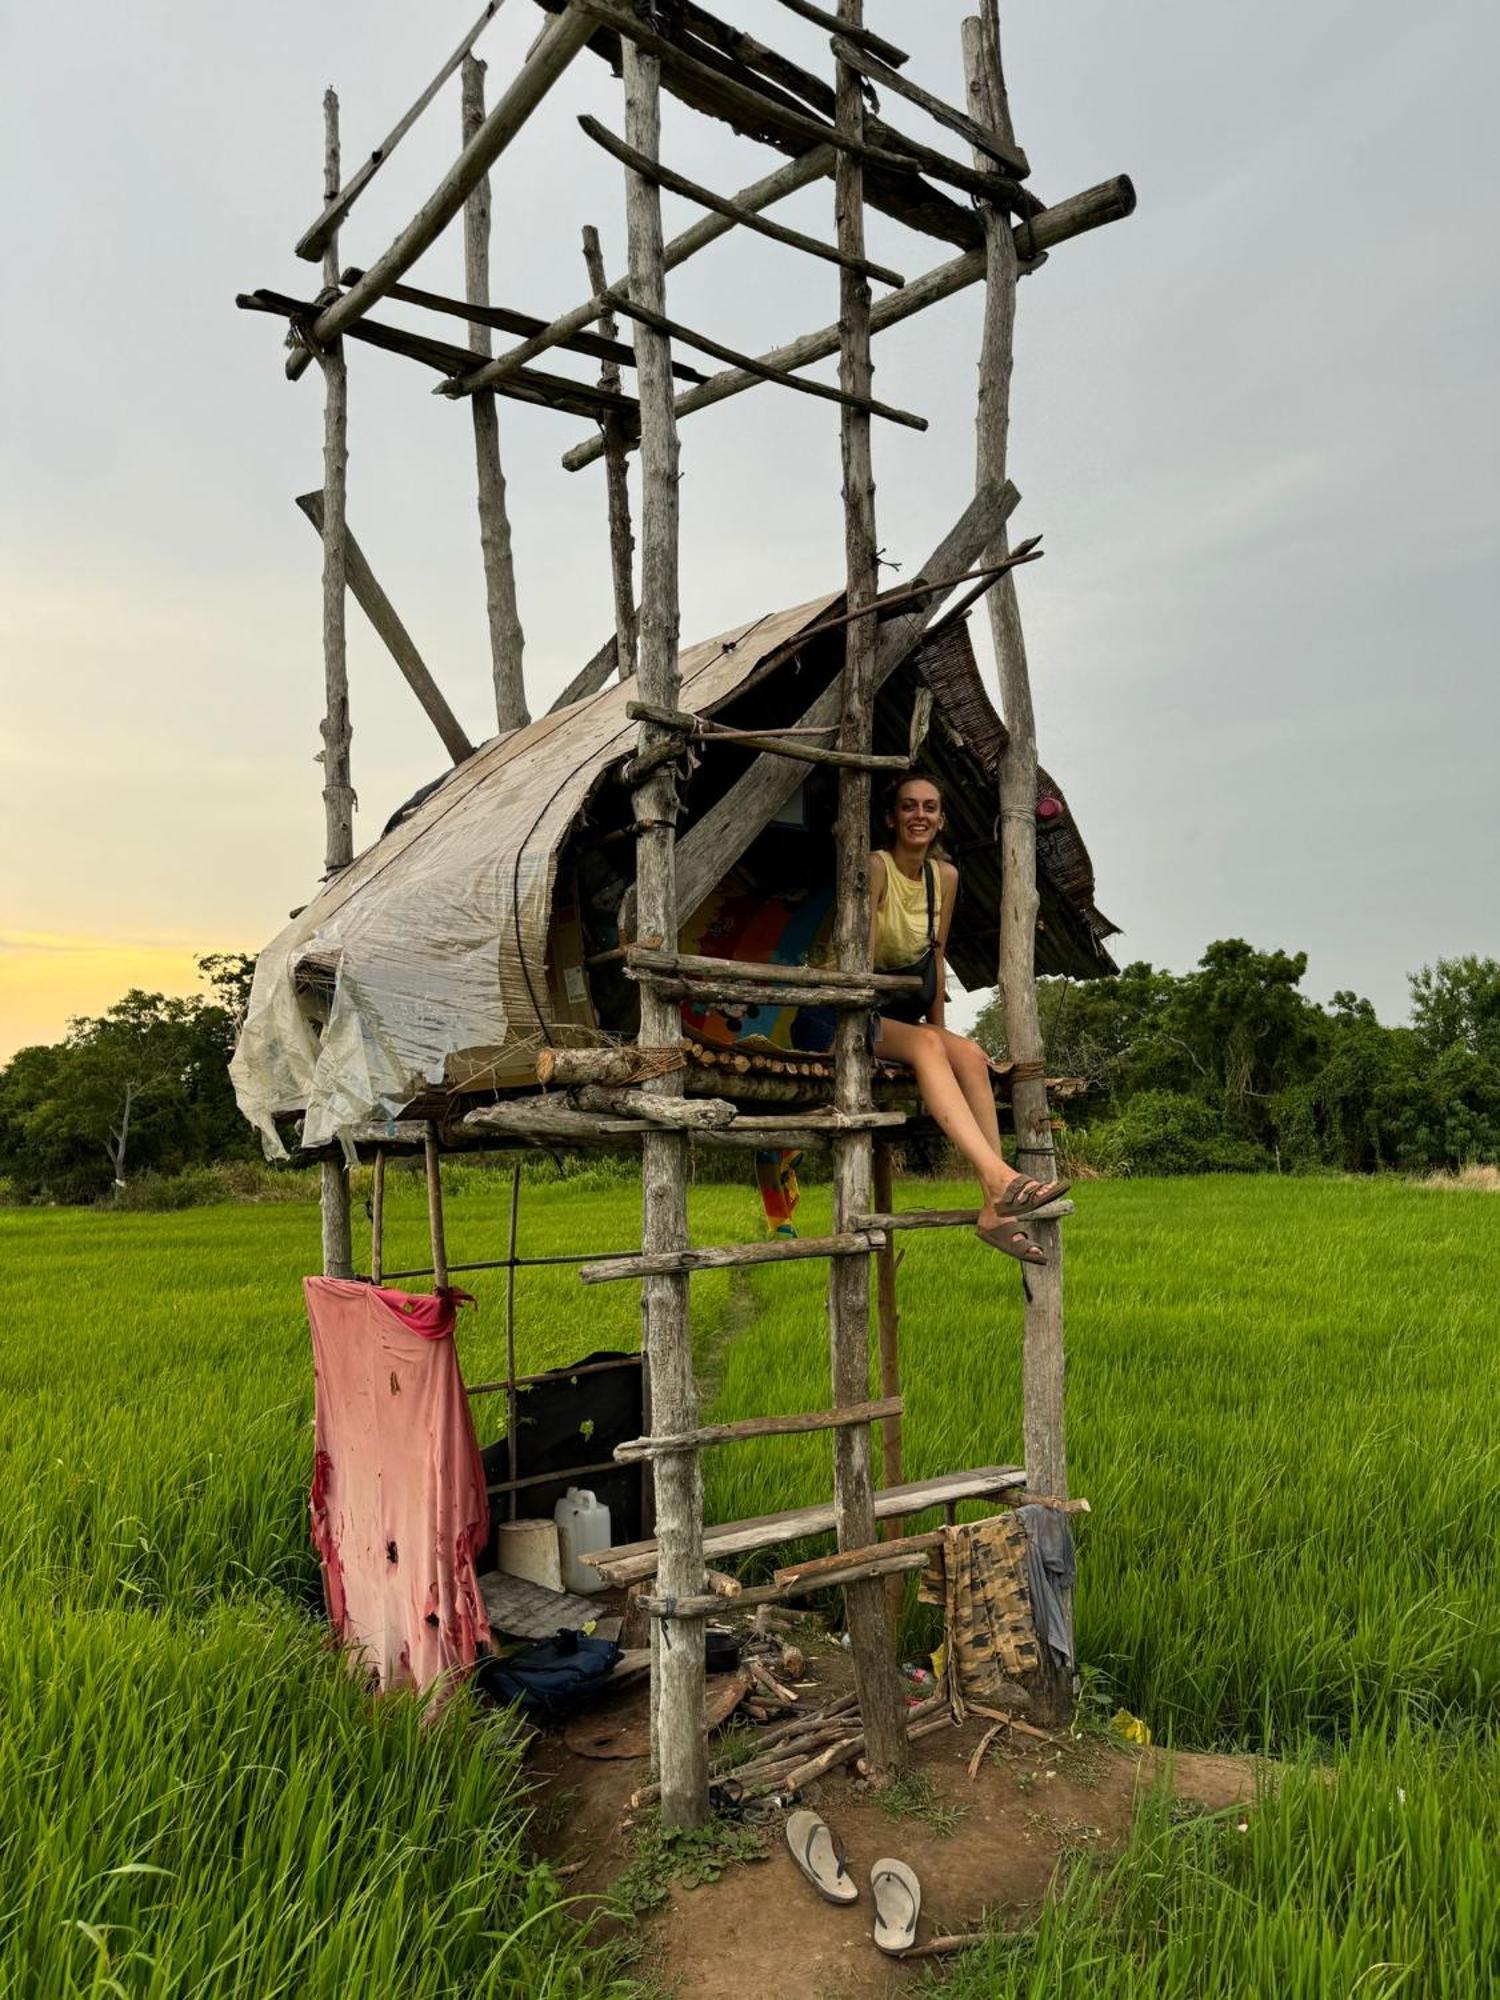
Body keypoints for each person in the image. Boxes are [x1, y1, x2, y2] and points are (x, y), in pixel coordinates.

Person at [869, 772, 1068, 1265]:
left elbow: (935, 958)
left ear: (941, 820)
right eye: (909, 806)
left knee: (970, 1053)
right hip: (849, 1013)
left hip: (903, 1015)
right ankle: (1000, 1177)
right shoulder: (876, 868)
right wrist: (928, 1038)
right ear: (891, 818)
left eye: (930, 808)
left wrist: (938, 1026)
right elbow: (861, 961)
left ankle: (994, 1212)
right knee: (930, 1047)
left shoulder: (945, 877)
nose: (920, 816)